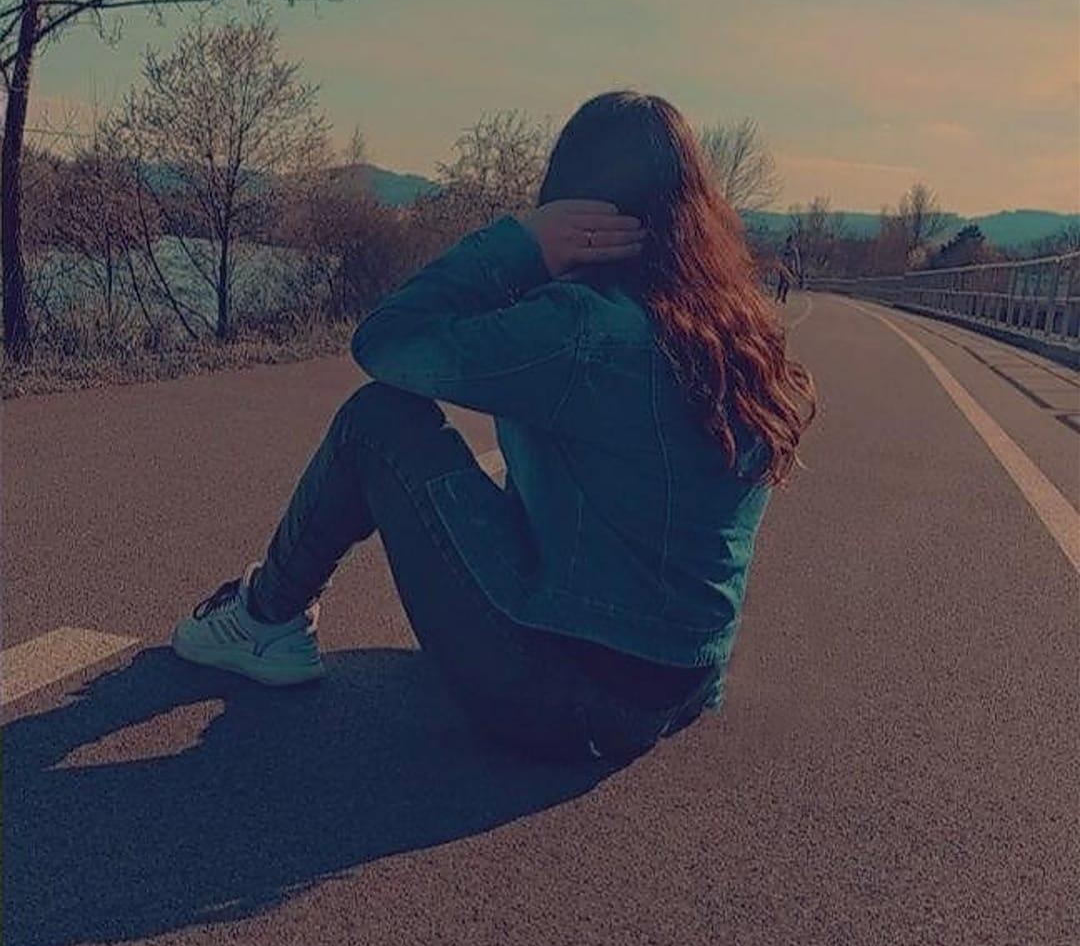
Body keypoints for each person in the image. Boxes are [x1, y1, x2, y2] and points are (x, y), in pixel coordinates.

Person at [171, 91, 818, 765]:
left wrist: (524, 244)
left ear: (577, 201)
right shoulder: (733, 330)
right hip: (683, 685)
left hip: (565, 696)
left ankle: (266, 620)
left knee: (377, 421)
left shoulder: (584, 328)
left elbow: (385, 341)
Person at [776, 234, 802, 304]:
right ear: (787, 242)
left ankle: (784, 297)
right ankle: (778, 296)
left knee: (788, 283)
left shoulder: (794, 250)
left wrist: (798, 270)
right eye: (790, 242)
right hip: (784, 268)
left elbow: (797, 260)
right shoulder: (783, 249)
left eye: (792, 242)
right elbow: (780, 258)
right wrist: (780, 266)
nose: (791, 244)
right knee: (781, 282)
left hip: (791, 268)